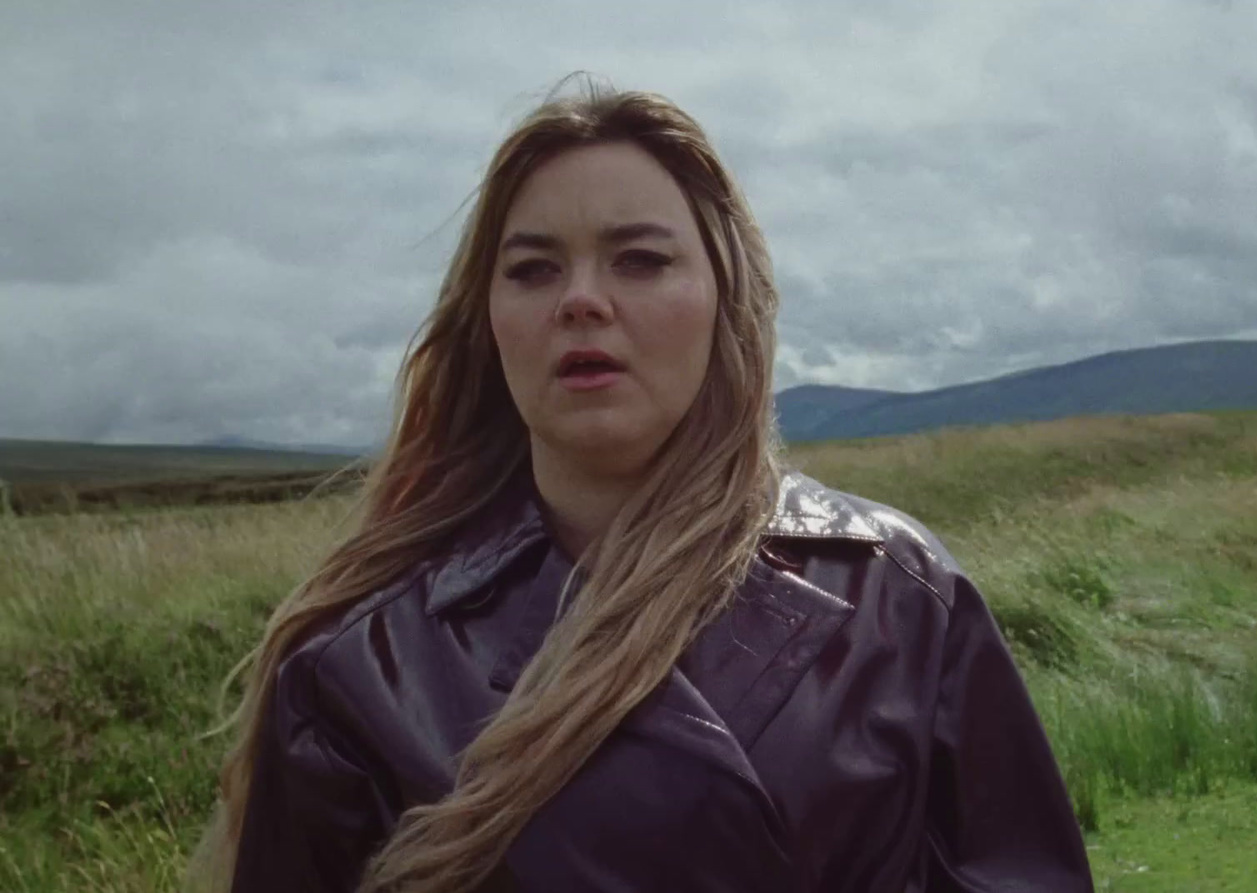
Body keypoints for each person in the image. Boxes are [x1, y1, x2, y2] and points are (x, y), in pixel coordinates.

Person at [187, 72, 1095, 893]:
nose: (581, 299)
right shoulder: (362, 662)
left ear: (724, 299)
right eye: (534, 269)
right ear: (490, 321)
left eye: (641, 259)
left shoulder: (898, 593)